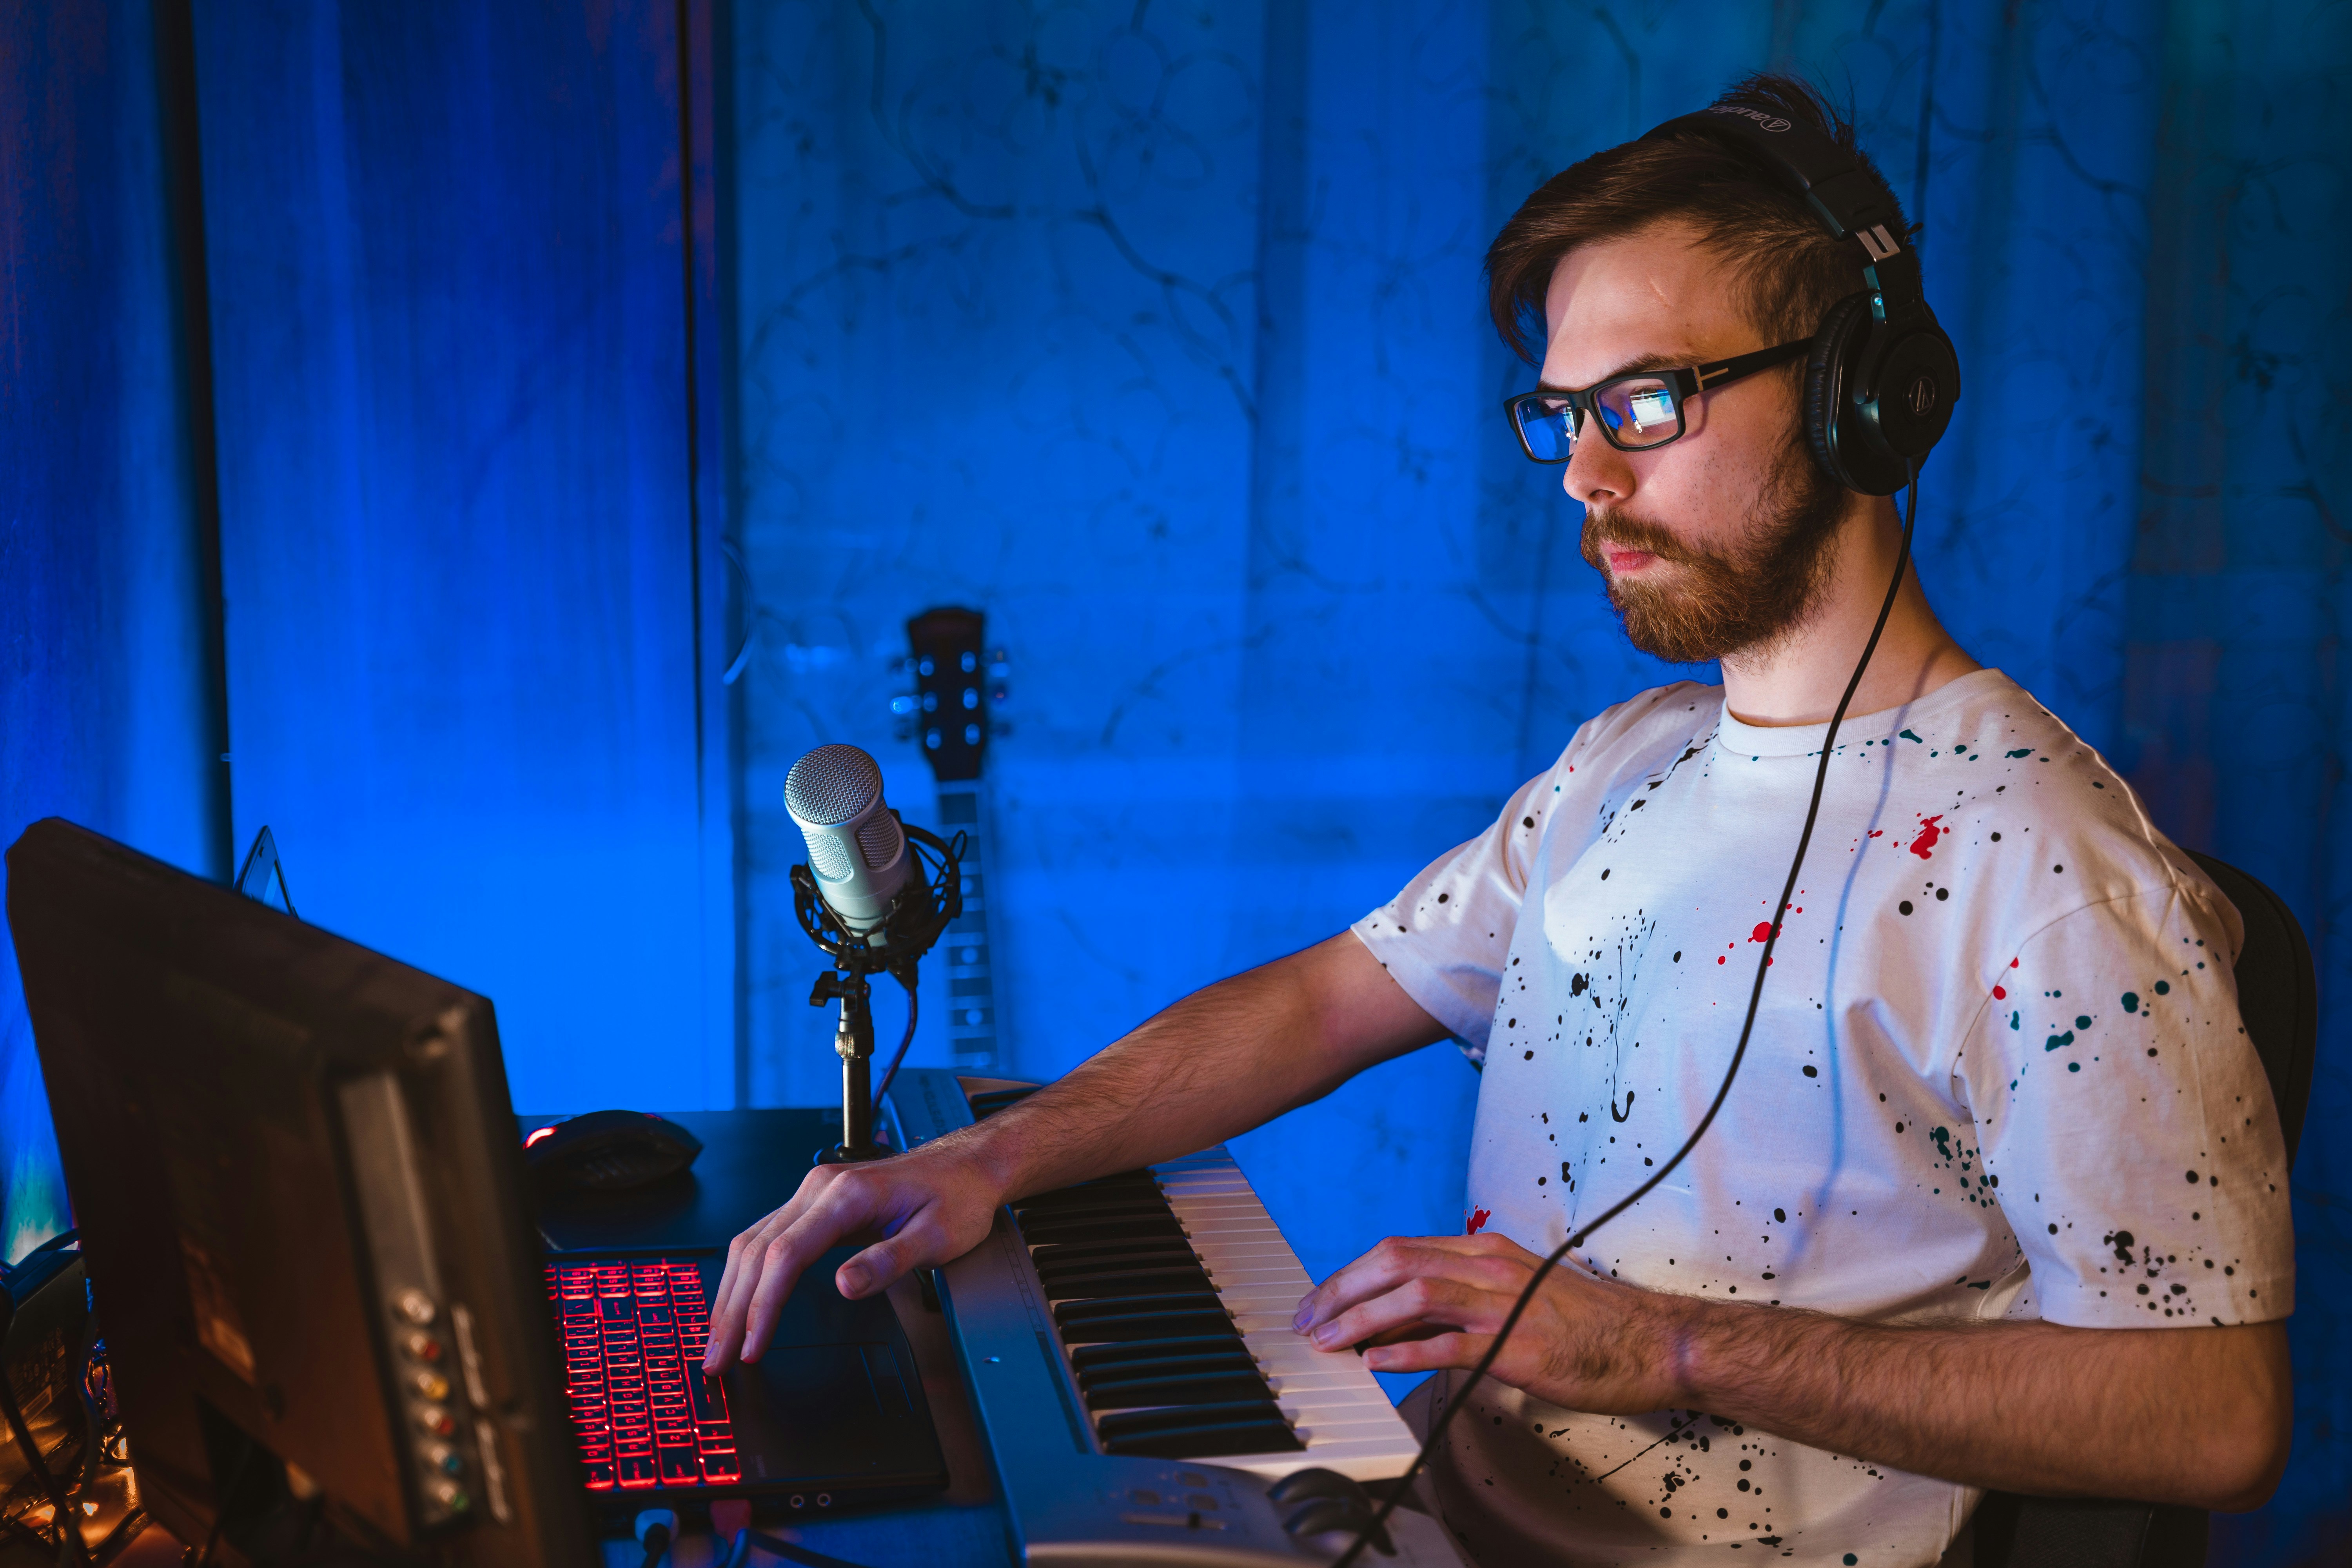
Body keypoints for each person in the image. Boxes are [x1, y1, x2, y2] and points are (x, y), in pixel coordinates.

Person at [702, 75, 2294, 1566]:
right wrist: (995, 1155)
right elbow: (1337, 991)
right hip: (1430, 1506)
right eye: (1562, 413)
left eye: (1648, 403)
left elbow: (2214, 1418)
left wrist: (1656, 1343)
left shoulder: (2051, 870)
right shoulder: (1629, 759)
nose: (1583, 479)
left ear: (1859, 399)